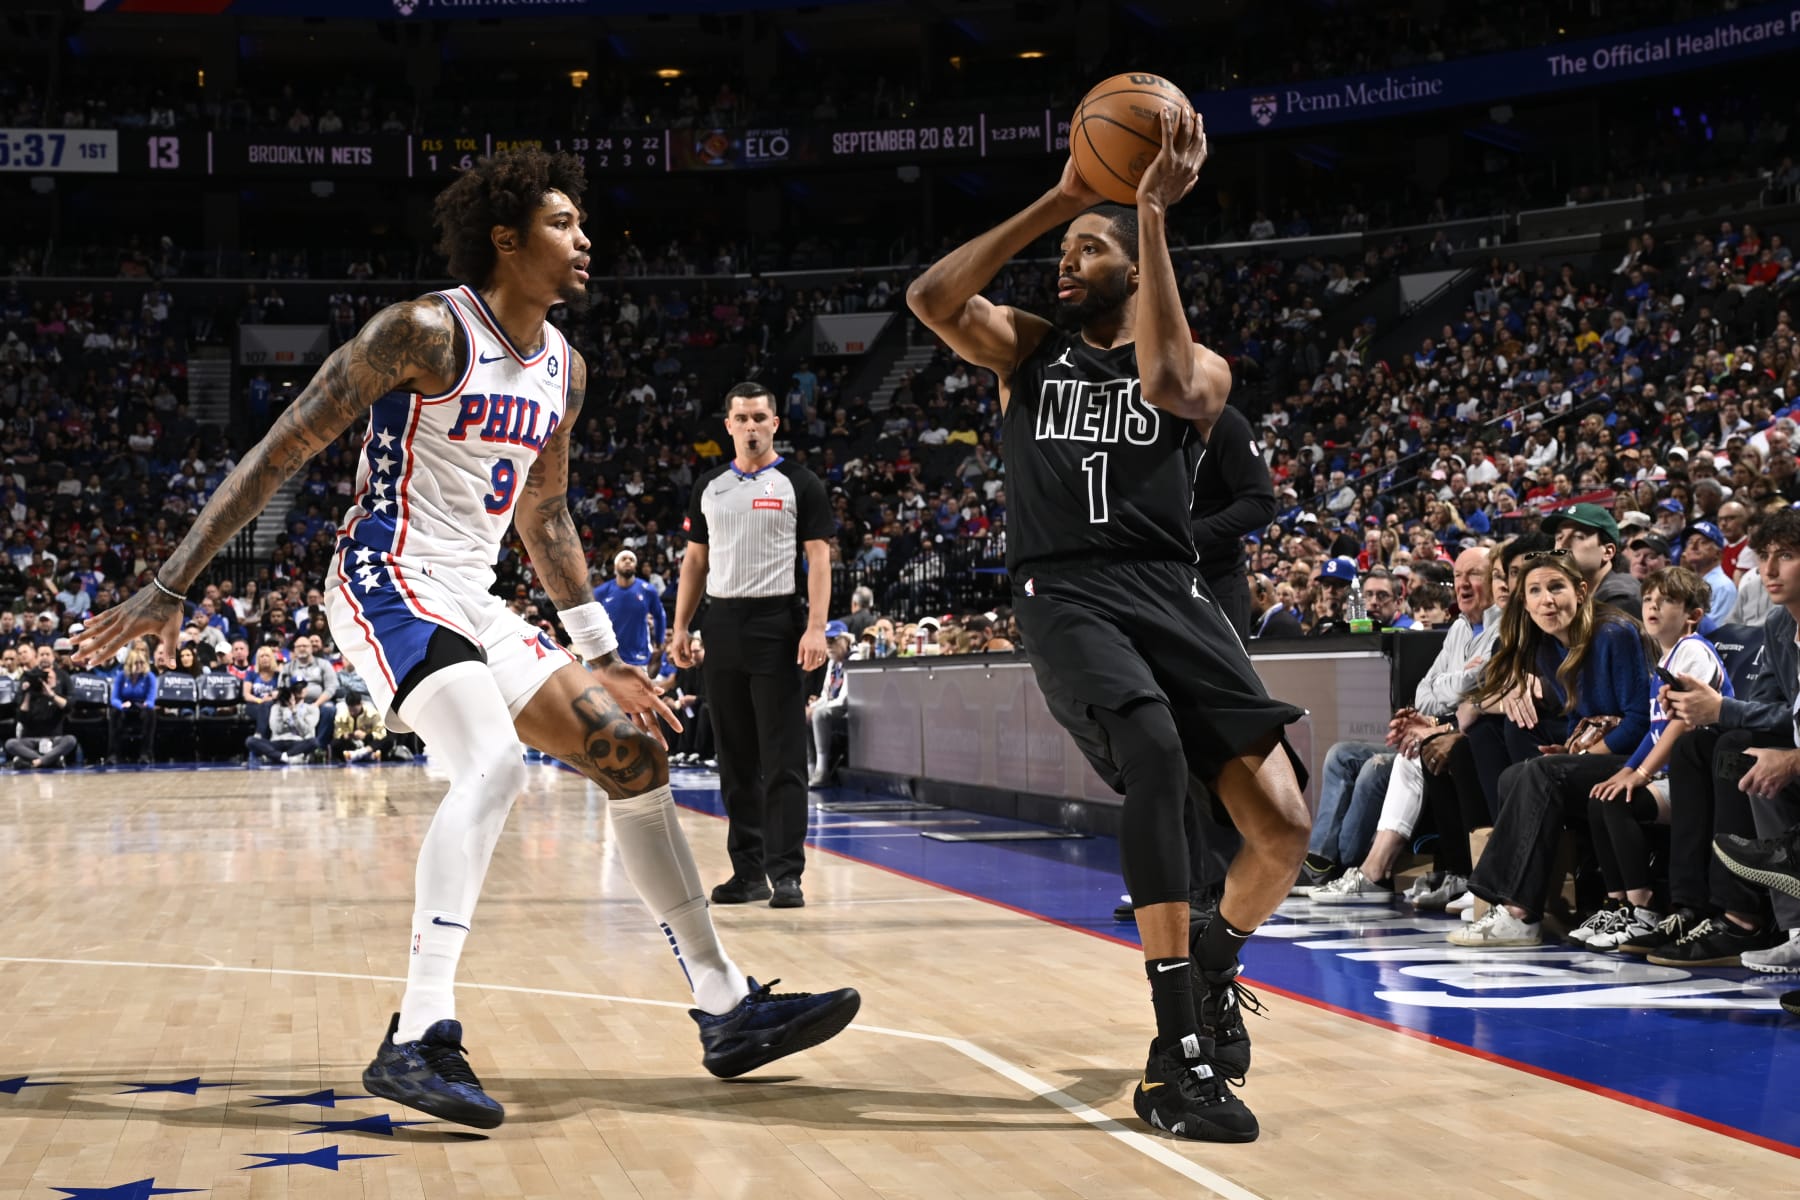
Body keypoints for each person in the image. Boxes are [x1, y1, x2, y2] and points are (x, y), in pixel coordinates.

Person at [77, 147, 858, 1131]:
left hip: (475, 599)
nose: (586, 242)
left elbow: (549, 515)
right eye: (564, 226)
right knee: (492, 767)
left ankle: (725, 1006)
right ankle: (420, 1032)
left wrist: (600, 652)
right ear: (506, 238)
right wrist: (169, 582)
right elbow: (280, 450)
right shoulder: (424, 331)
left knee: (635, 755)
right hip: (386, 579)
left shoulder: (565, 370)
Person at [907, 109, 1309, 1144]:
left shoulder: (1204, 368)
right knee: (1153, 752)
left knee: (1283, 829)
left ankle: (1215, 957)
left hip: (1170, 589)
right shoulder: (1027, 352)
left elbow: (1171, 385)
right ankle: (1175, 1056)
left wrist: (1148, 214)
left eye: (1090, 250)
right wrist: (1066, 196)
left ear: (1139, 265)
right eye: (1065, 251)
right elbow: (931, 298)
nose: (1067, 262)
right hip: (1066, 590)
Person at [668, 383, 833, 910]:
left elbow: (819, 559)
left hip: (777, 624)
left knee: (781, 755)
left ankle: (787, 874)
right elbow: (694, 562)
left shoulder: (799, 484)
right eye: (742, 417)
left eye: (761, 416)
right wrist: (680, 628)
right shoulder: (709, 485)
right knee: (735, 757)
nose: (752, 426)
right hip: (722, 625)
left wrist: (816, 628)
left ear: (776, 423)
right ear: (729, 425)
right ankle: (747, 872)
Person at [1449, 551, 1652, 947]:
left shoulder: (1613, 633)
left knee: (1540, 772)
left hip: (1640, 758)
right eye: (1535, 591)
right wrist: (1569, 747)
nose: (1548, 600)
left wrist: (1577, 757)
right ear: (1524, 602)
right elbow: (1586, 719)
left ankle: (1516, 911)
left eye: (1556, 587)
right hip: (1600, 753)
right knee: (1516, 772)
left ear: (1580, 591)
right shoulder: (1546, 647)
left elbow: (1639, 722)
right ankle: (1516, 902)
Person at [1647, 507, 1800, 968]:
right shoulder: (1777, 625)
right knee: (1700, 745)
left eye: (1786, 556)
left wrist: (1722, 708)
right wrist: (1717, 712)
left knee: (1735, 746)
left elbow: (1776, 715)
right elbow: (1775, 709)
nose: (1768, 571)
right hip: (1790, 740)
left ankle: (1744, 918)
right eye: (1764, 556)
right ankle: (1696, 906)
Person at [1574, 567, 1730, 950]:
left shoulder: (1693, 650)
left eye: (1667, 600)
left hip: (1703, 781)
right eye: (1647, 599)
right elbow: (1653, 732)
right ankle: (1619, 902)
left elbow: (1679, 725)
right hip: (1672, 777)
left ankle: (1644, 910)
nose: (1653, 606)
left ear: (1693, 615)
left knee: (1621, 803)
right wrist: (1625, 771)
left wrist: (1639, 774)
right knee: (1603, 795)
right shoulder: (1662, 661)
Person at [1192, 403, 1274, 638]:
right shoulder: (1135, 420)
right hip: (1154, 580)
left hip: (1215, 578)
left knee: (1221, 674)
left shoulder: (1224, 420)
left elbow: (1261, 503)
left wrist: (1188, 532)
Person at [593, 548, 665, 673]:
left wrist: (659, 641)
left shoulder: (648, 590)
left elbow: (659, 616)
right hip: (610, 656)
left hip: (639, 655)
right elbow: (591, 620)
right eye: (623, 559)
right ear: (616, 565)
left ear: (635, 567)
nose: (627, 561)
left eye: (631, 560)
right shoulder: (601, 592)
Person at [7, 644, 76, 769]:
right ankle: (49, 760)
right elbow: (21, 716)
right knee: (11, 744)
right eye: (41, 655)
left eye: (47, 654)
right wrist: (28, 693)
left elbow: (69, 706)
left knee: (70, 740)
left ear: (53, 658)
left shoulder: (63, 676)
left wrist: (52, 695)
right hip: (30, 739)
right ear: (36, 657)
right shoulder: (27, 677)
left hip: (55, 738)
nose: (44, 657)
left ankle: (32, 761)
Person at [807, 620, 852, 785]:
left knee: (819, 714)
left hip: (851, 712)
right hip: (835, 708)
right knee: (805, 714)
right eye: (826, 641)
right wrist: (811, 707)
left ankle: (822, 769)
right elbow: (825, 695)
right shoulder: (832, 663)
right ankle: (809, 768)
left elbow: (844, 699)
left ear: (846, 641)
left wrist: (817, 709)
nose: (828, 645)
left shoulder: (854, 659)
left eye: (833, 640)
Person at [246, 683, 321, 765]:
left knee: (314, 742)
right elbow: (276, 729)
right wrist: (283, 709)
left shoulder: (308, 708)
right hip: (277, 741)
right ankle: (282, 757)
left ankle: (279, 756)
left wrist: (294, 712)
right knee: (250, 741)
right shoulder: (275, 708)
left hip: (296, 741)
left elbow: (304, 731)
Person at [108, 644, 159, 765]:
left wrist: (147, 704)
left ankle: (145, 753)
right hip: (125, 706)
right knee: (114, 712)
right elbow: (114, 698)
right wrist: (121, 705)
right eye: (136, 663)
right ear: (130, 664)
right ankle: (113, 754)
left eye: (141, 663)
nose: (139, 666)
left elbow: (151, 698)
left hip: (142, 707)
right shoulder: (121, 676)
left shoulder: (149, 677)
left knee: (151, 713)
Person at [333, 691, 397, 762]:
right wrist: (346, 735)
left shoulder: (373, 713)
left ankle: (358, 754)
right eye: (350, 710)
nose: (352, 713)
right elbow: (337, 734)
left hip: (369, 742)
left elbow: (381, 733)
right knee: (334, 743)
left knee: (389, 740)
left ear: (361, 704)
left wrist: (366, 736)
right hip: (352, 743)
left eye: (355, 710)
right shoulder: (341, 715)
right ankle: (369, 755)